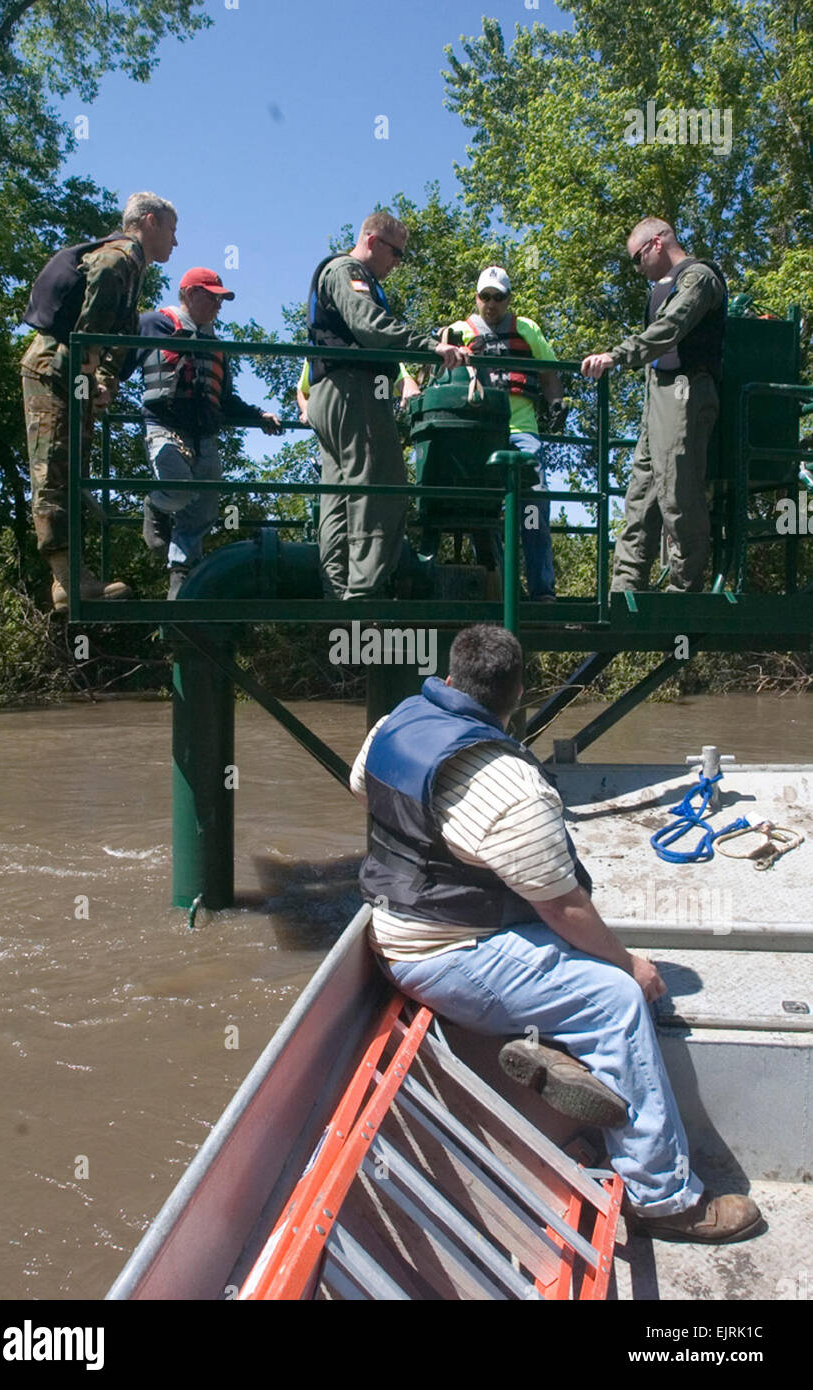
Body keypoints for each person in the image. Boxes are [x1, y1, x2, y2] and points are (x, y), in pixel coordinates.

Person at [349, 623, 762, 1244]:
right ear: (518, 692)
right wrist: (630, 966)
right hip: (446, 954)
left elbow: (366, 791)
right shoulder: (510, 784)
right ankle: (665, 1198)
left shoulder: (395, 724)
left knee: (576, 960)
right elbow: (564, 908)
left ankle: (560, 1062)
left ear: (451, 675)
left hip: (394, 927)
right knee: (614, 998)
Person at [21, 191, 178, 612]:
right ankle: (67, 579)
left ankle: (71, 578)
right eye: (172, 229)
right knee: (54, 467)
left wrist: (102, 379)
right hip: (55, 367)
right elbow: (93, 324)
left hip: (72, 372)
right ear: (149, 221)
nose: (175, 242)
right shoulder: (119, 257)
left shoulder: (133, 265)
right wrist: (91, 370)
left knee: (73, 469)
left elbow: (118, 336)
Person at [306, 211, 467, 599]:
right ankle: (363, 596)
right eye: (396, 253)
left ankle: (336, 591)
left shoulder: (344, 275)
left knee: (340, 490)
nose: (398, 262)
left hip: (334, 392)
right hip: (352, 390)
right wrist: (432, 347)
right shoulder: (349, 273)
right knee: (379, 486)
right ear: (373, 241)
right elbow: (370, 326)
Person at [581, 220, 727, 593]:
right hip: (657, 395)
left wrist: (616, 355)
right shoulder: (661, 288)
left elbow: (671, 328)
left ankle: (684, 590)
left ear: (657, 244)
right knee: (640, 495)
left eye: (637, 258)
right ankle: (624, 589)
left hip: (686, 391)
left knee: (678, 492)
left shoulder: (699, 278)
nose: (637, 268)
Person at [137, 267, 283, 597]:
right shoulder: (154, 324)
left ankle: (182, 577)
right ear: (190, 294)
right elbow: (116, 360)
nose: (219, 306)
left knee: (204, 510)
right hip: (165, 426)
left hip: (204, 435)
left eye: (221, 300)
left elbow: (226, 398)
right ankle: (156, 504)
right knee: (178, 490)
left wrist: (258, 415)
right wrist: (101, 384)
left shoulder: (215, 344)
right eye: (213, 298)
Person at [448, 267, 567, 601]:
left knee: (533, 505)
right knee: (481, 511)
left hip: (522, 430)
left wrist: (556, 402)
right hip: (479, 432)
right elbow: (436, 371)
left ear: (508, 299)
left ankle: (542, 591)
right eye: (485, 296)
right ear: (476, 297)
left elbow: (549, 371)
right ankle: (497, 588)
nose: (491, 303)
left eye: (498, 297)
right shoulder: (459, 331)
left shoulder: (526, 329)